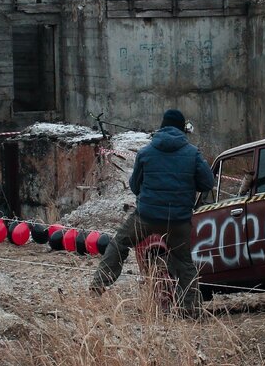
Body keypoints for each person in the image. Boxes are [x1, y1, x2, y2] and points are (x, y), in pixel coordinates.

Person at [90, 109, 215, 315]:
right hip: (178, 220)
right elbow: (207, 182)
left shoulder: (146, 152)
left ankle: (98, 284)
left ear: (163, 126)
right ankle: (192, 310)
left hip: (146, 217)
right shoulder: (192, 153)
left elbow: (135, 185)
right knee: (183, 262)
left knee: (120, 243)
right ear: (182, 128)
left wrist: (149, 198)